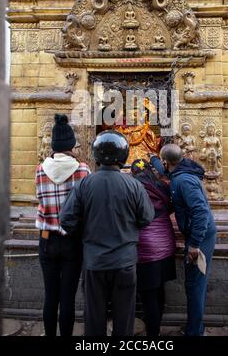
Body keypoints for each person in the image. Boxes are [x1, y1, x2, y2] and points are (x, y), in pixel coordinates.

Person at [60, 130, 155, 336]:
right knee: (124, 319)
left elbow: (66, 220)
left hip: (95, 262)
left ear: (96, 155)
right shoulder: (134, 185)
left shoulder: (84, 184)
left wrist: (86, 233)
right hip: (125, 262)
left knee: (94, 318)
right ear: (123, 155)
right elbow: (147, 217)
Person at [150, 144, 217, 336]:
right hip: (198, 234)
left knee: (195, 284)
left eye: (161, 161)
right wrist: (153, 159)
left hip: (201, 237)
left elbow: (201, 212)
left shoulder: (183, 181)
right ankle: (195, 326)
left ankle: (194, 331)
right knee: (196, 282)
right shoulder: (181, 170)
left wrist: (194, 244)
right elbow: (165, 169)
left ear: (166, 162)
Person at [35, 114, 90, 336]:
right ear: (70, 145)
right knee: (68, 296)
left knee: (51, 295)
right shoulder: (83, 170)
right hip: (72, 241)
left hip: (47, 239)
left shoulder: (40, 170)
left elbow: (39, 199)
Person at [131, 159, 176, 337]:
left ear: (134, 173)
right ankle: (156, 328)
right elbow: (171, 207)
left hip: (145, 247)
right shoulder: (162, 186)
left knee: (148, 294)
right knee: (159, 289)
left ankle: (152, 333)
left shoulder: (134, 188)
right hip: (166, 243)